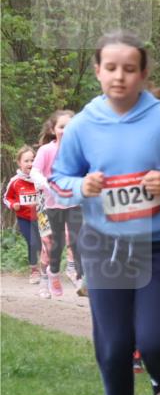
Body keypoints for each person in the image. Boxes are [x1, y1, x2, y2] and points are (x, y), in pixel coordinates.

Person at [49, 30, 160, 395]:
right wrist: (83, 185)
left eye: (129, 69)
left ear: (143, 73)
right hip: (103, 246)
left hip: (157, 245)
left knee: (153, 341)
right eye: (111, 68)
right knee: (115, 344)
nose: (119, 77)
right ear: (98, 71)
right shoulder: (82, 125)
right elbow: (59, 179)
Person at [33, 109, 85, 295]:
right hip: (52, 204)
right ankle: (52, 273)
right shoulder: (46, 150)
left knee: (78, 241)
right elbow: (35, 172)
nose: (66, 130)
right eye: (62, 127)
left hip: (74, 203)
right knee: (56, 243)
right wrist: (47, 185)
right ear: (53, 130)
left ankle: (79, 277)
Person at [3, 146, 43, 285]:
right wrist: (13, 204)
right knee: (32, 242)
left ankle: (47, 269)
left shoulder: (40, 179)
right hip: (25, 218)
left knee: (44, 243)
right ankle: (34, 271)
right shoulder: (15, 181)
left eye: (33, 160)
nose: (30, 164)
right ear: (19, 163)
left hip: (42, 218)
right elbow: (6, 198)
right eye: (26, 161)